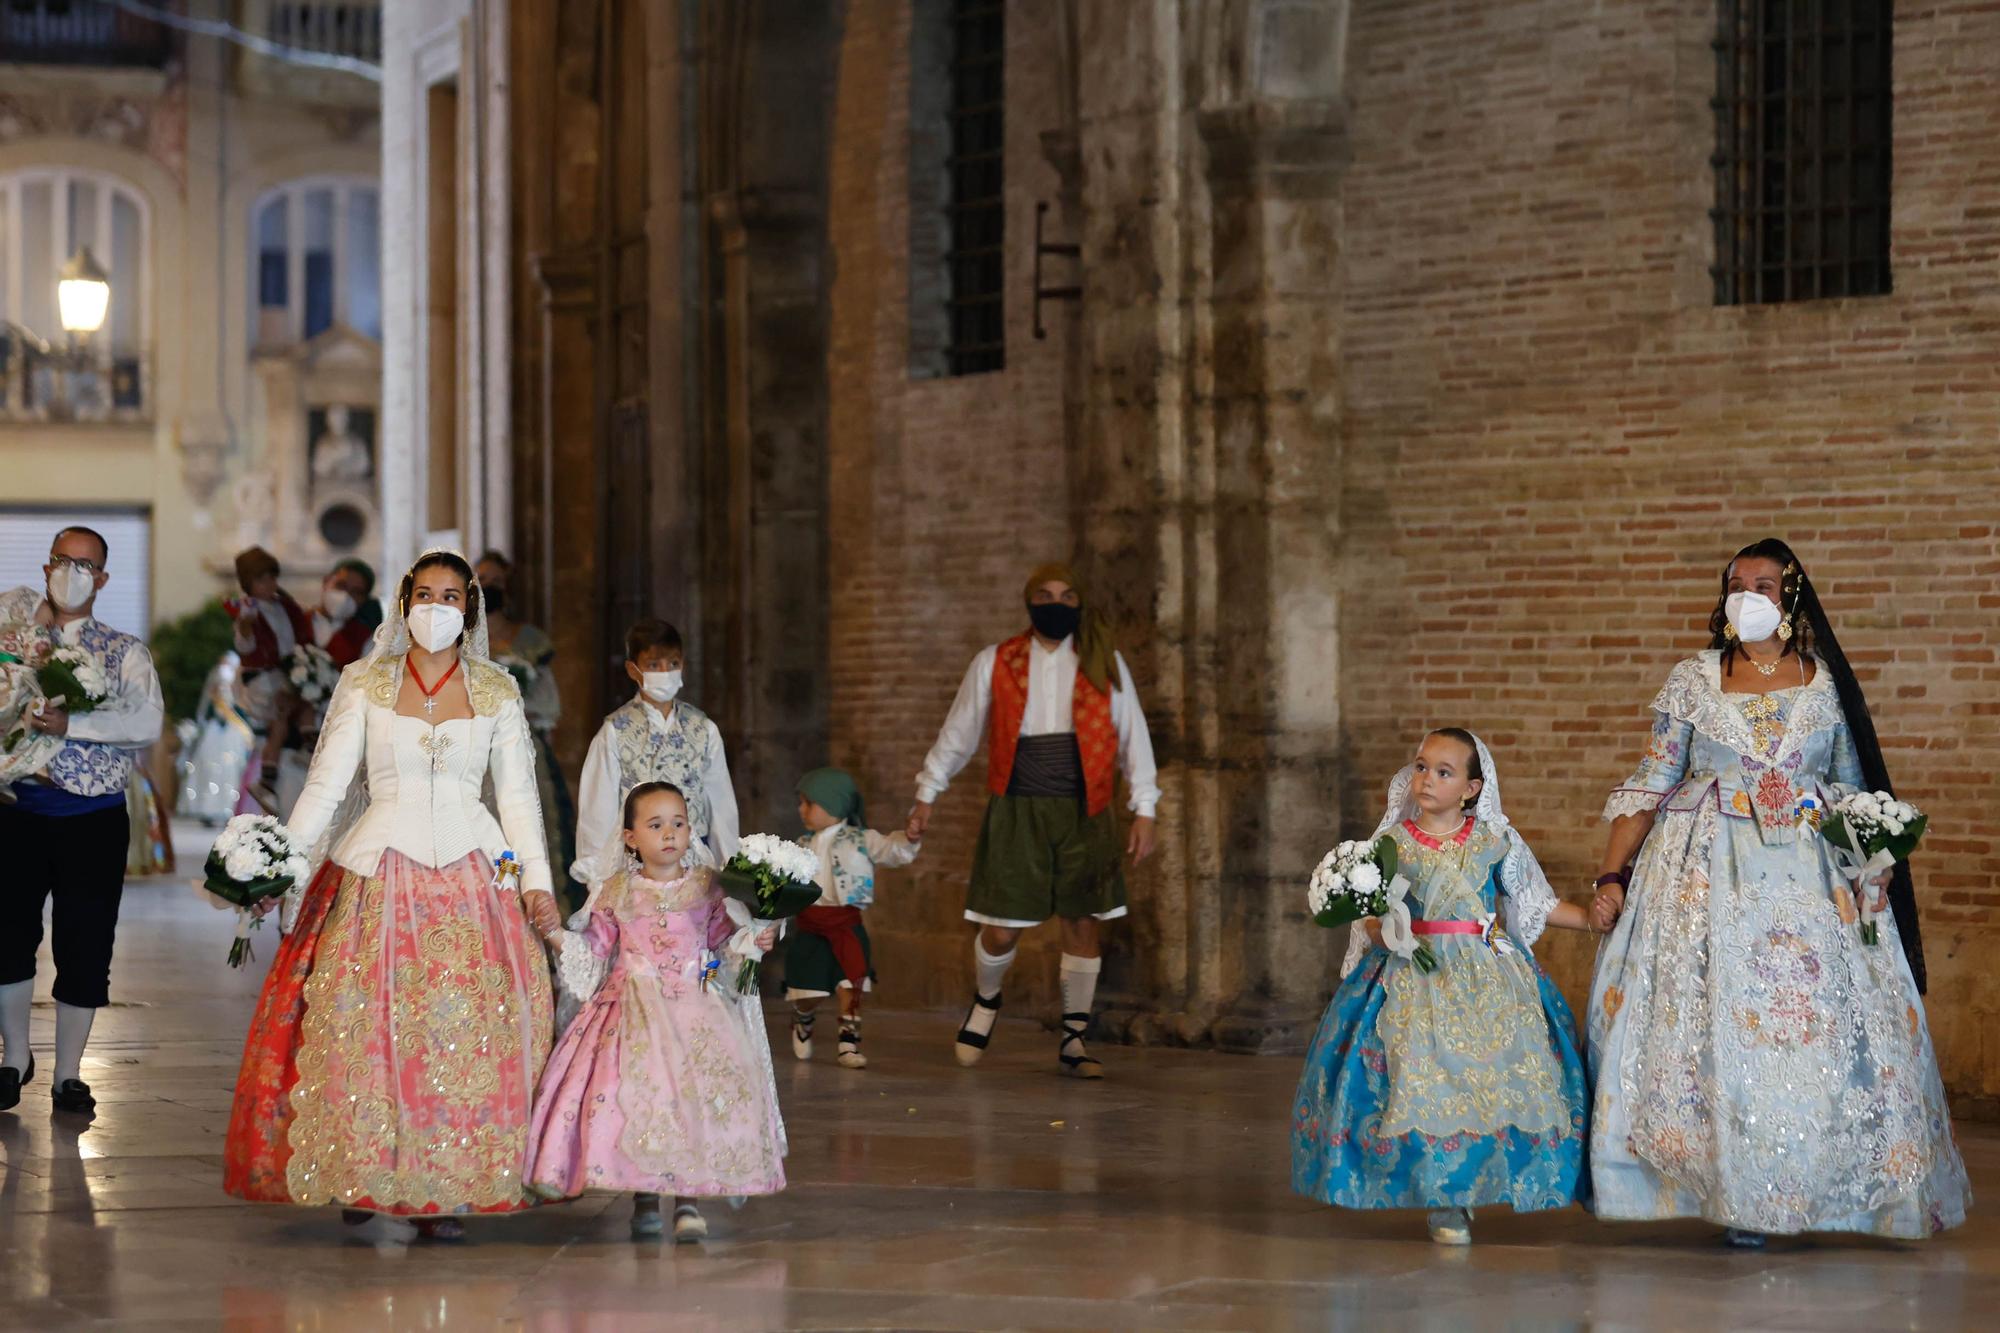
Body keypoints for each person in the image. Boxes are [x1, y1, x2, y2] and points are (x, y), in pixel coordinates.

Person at [1586, 539, 1970, 1244]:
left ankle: (1831, 1190)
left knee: (1816, 1028)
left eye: (1763, 582)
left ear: (1791, 595)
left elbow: (1854, 791)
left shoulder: (1824, 685)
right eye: (1736, 583)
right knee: (1714, 1027)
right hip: (1705, 877)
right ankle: (1733, 1193)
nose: (1747, 594)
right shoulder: (1695, 677)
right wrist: (1612, 874)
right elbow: (1651, 778)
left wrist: (1873, 864)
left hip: (1812, 876)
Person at [222, 549, 563, 1242]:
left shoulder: (496, 688)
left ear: (469, 607)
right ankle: (364, 1167)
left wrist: (537, 882)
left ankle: (449, 1183)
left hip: (476, 872)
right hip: (378, 869)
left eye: (450, 595)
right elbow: (324, 786)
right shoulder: (364, 681)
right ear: (405, 602)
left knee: (458, 1032)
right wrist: (277, 866)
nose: (436, 607)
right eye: (425, 593)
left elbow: (519, 796)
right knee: (372, 1029)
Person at [1290, 729, 1595, 1245]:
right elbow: (1369, 917)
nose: (1427, 779)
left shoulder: (1495, 840)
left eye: (1444, 772)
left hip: (1487, 971)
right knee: (1421, 1069)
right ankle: (1444, 1198)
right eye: (1421, 767)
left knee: (1505, 1068)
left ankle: (1486, 1181)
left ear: (1472, 788)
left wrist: (1592, 919)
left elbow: (1530, 905)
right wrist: (1385, 929)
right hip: (1413, 970)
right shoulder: (1391, 843)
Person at [907, 563, 1159, 1078]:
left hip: (1085, 808)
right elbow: (960, 732)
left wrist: (1145, 809)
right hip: (1018, 806)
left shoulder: (1102, 661)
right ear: (1028, 601)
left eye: (1068, 595)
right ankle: (986, 997)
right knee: (1000, 930)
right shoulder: (995, 661)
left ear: (1080, 602)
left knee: (1082, 924)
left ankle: (1074, 1039)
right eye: (1045, 594)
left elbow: (1133, 734)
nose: (1056, 603)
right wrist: (927, 793)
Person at [528, 783, 786, 1242]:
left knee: (691, 1096)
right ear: (630, 838)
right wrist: (555, 936)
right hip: (630, 1010)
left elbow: (723, 947)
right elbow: (594, 950)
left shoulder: (708, 888)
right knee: (633, 1096)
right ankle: (643, 1197)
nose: (669, 834)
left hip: (695, 1006)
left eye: (678, 823)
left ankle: (687, 1200)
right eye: (655, 825)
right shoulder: (616, 890)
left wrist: (754, 940)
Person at [0, 526, 165, 1116]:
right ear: (45, 567)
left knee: (85, 943)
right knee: (8, 938)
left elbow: (146, 725)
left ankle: (69, 1074)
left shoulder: (125, 651)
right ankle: (14, 1058)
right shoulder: (11, 640)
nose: (72, 572)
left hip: (92, 818)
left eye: (85, 564)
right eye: (62, 561)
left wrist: (76, 726)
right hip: (16, 811)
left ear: (102, 578)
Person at [573, 618, 739, 892]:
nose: (665, 672)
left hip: (695, 864)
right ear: (633, 669)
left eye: (672, 664)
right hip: (636, 867)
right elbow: (597, 813)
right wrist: (598, 880)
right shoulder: (614, 731)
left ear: (683, 664)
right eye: (653, 665)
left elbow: (721, 806)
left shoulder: (703, 728)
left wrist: (729, 868)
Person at [787, 768, 920, 1070]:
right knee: (810, 990)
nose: (802, 810)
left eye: (809, 803)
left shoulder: (861, 839)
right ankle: (804, 1016)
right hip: (811, 927)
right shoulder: (799, 846)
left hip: (846, 925)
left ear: (833, 804)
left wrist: (909, 839)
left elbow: (892, 850)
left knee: (851, 984)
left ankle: (848, 1043)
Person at [476, 551, 575, 903]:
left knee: (530, 822)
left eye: (497, 582)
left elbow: (549, 703)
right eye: (482, 580)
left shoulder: (529, 640)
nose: (489, 587)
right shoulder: (458, 636)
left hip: (521, 744)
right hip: (471, 747)